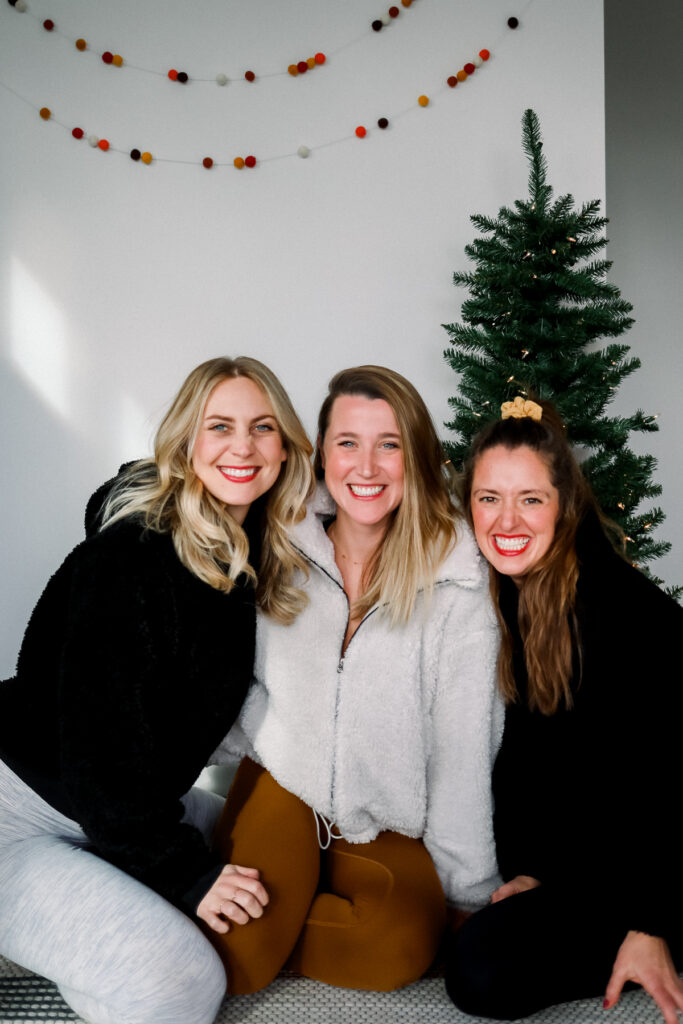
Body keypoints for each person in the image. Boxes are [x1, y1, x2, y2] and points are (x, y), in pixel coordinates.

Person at [0, 356, 313, 1024]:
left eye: (262, 428)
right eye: (219, 426)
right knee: (181, 982)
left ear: (285, 447)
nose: (242, 446)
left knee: (279, 854)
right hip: (21, 810)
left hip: (117, 804)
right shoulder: (133, 558)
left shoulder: (249, 550)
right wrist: (185, 876)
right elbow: (99, 755)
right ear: (185, 443)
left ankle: (85, 928)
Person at [210, 365, 504, 994]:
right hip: (284, 789)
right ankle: (249, 893)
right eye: (348, 443)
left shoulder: (457, 584)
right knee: (234, 963)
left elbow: (461, 748)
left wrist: (467, 891)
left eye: (388, 444)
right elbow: (227, 678)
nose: (365, 467)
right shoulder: (276, 545)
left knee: (397, 950)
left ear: (415, 458)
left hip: (385, 820)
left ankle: (291, 909)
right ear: (321, 455)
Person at [444, 396, 683, 1023]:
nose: (506, 518)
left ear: (565, 506)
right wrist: (533, 875)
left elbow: (669, 779)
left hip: (669, 857)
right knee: (476, 961)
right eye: (489, 497)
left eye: (530, 498)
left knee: (481, 972)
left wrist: (649, 924)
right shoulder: (516, 597)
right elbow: (536, 765)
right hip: (596, 871)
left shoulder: (618, 613)